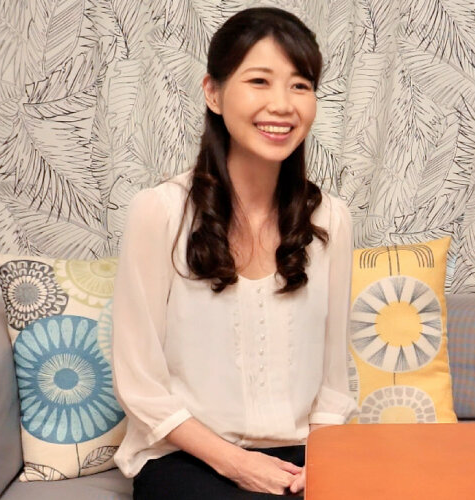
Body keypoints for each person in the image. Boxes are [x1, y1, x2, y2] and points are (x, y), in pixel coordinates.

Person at [112, 7, 356, 499]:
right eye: (259, 81)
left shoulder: (330, 219)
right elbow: (141, 386)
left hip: (301, 457)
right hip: (187, 458)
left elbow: (333, 382)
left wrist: (324, 463)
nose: (282, 105)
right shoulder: (159, 212)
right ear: (214, 93)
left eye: (300, 85)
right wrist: (240, 465)